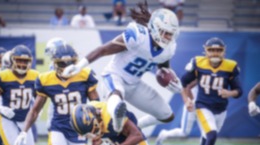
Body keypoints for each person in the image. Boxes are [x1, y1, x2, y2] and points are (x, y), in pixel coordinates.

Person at [63, 2, 182, 136]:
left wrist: (171, 81)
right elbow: (103, 50)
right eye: (165, 33)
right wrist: (79, 65)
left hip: (134, 85)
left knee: (167, 115)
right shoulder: (138, 36)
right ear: (154, 28)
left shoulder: (168, 49)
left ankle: (137, 126)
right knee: (116, 94)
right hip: (114, 75)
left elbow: (163, 67)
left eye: (171, 34)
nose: (168, 38)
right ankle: (117, 119)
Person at [181, 37, 242, 145]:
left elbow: (239, 91)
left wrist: (229, 93)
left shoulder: (230, 66)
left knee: (206, 138)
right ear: (205, 50)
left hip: (221, 109)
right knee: (212, 135)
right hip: (202, 106)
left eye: (218, 50)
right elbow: (184, 83)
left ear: (224, 51)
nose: (215, 53)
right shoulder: (198, 62)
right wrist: (187, 100)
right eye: (212, 50)